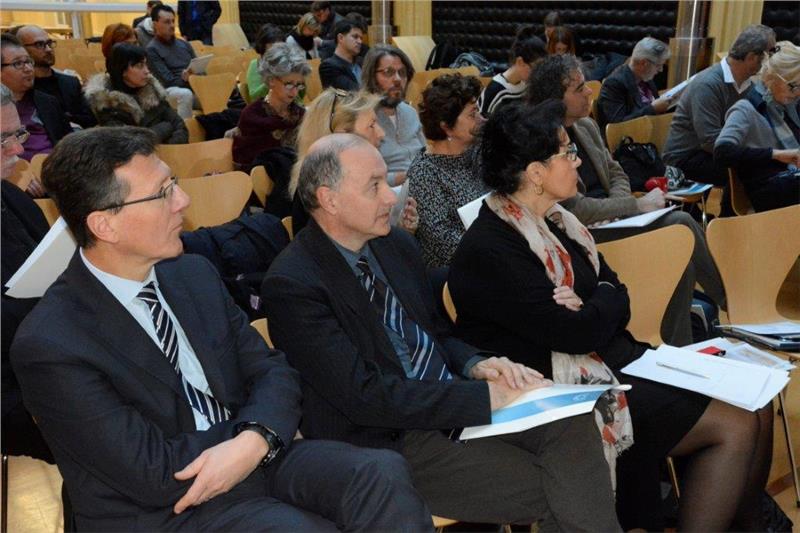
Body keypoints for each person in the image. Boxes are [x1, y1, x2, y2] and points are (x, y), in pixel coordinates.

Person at [10, 125, 432, 531]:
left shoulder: (191, 274)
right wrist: (251, 437)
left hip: (253, 456)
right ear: (105, 224)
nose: (183, 200)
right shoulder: (51, 342)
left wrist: (256, 438)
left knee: (379, 474)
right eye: (162, 193)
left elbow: (273, 371)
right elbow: (150, 470)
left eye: (174, 183)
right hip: (165, 509)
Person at [262, 133, 622, 531]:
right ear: (329, 200)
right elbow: (363, 396)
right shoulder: (293, 284)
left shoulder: (395, 246)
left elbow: (436, 331)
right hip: (389, 436)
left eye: (386, 182)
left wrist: (476, 364)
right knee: (566, 485)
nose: (391, 198)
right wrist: (480, 397)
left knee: (573, 421)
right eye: (374, 186)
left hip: (450, 401)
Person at [448, 100, 769, 532]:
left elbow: (618, 295)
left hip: (613, 358)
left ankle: (749, 523)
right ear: (536, 173)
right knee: (737, 423)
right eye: (567, 152)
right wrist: (601, 302)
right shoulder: (492, 247)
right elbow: (576, 332)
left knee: (757, 402)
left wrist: (597, 300)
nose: (577, 161)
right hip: (563, 389)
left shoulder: (558, 222)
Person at [526, 54, 726, 347]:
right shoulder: (542, 140)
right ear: (555, 98)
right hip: (579, 234)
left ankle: (681, 342)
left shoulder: (586, 126)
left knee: (678, 245)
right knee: (680, 223)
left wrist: (619, 207)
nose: (589, 91)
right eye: (579, 88)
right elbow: (574, 208)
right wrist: (634, 206)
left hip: (611, 218)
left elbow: (616, 171)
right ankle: (727, 301)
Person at [0, 83, 54, 466]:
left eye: (16, 134)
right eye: (2, 139)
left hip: (43, 353)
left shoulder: (11, 197)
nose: (17, 150)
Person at [663, 24, 776, 186]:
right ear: (752, 57)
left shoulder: (749, 86)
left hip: (718, 151)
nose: (772, 60)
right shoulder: (707, 84)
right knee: (758, 171)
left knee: (770, 167)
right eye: (770, 54)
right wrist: (758, 154)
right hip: (686, 157)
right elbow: (709, 140)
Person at [408, 74, 488, 268]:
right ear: (446, 127)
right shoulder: (425, 173)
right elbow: (443, 242)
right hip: (456, 269)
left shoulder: (478, 152)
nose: (482, 119)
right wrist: (494, 249)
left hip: (491, 250)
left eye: (478, 111)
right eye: (472, 115)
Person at [714, 40, 800, 212]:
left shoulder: (791, 106)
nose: (798, 93)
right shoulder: (745, 109)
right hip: (767, 190)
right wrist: (775, 154)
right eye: (793, 86)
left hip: (789, 182)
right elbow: (722, 152)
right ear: (771, 78)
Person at [85, 43, 188, 144]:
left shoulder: (152, 90)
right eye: (140, 66)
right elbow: (130, 144)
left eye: (146, 64)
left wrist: (171, 149)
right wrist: (166, 127)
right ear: (122, 70)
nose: (147, 71)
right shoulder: (107, 104)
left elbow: (179, 125)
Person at [233, 43, 308, 173]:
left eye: (299, 85)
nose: (295, 92)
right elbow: (244, 165)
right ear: (272, 80)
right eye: (289, 84)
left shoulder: (300, 114)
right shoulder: (252, 116)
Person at [0, 33, 71, 166]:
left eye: (28, 62)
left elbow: (69, 144)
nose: (28, 69)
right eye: (18, 63)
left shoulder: (48, 102)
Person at [361, 45, 426, 186]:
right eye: (388, 72)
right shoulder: (362, 118)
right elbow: (362, 178)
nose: (397, 79)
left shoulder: (410, 112)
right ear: (371, 77)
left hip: (422, 184)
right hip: (388, 191)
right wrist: (406, 177)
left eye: (402, 73)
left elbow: (426, 154)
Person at [16, 25, 96, 128]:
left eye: (49, 43)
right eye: (40, 44)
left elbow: (91, 120)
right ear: (22, 49)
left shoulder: (70, 83)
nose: (48, 49)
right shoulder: (22, 88)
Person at [596, 37, 674, 132]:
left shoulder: (646, 77)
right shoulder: (614, 84)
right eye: (658, 65)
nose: (661, 70)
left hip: (650, 130)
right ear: (644, 63)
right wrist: (653, 109)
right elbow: (618, 125)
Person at [478, 25, 545, 117]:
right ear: (520, 62)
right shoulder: (495, 91)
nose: (538, 73)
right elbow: (482, 124)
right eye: (535, 68)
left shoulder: (526, 85)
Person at [145, 3, 196, 119]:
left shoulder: (184, 44)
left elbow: (201, 70)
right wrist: (186, 79)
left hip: (193, 85)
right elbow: (168, 82)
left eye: (173, 21)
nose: (172, 25)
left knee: (220, 91)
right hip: (169, 91)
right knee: (185, 94)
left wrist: (193, 78)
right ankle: (183, 128)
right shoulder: (152, 49)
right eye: (167, 22)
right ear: (155, 24)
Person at [319, 18, 365, 91]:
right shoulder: (328, 67)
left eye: (361, 38)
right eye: (355, 37)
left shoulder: (361, 62)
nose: (360, 41)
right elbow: (354, 92)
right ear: (340, 38)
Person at [245, 23, 284, 101]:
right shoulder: (256, 64)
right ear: (262, 46)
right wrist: (272, 81)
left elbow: (299, 96)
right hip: (265, 106)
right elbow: (254, 97)